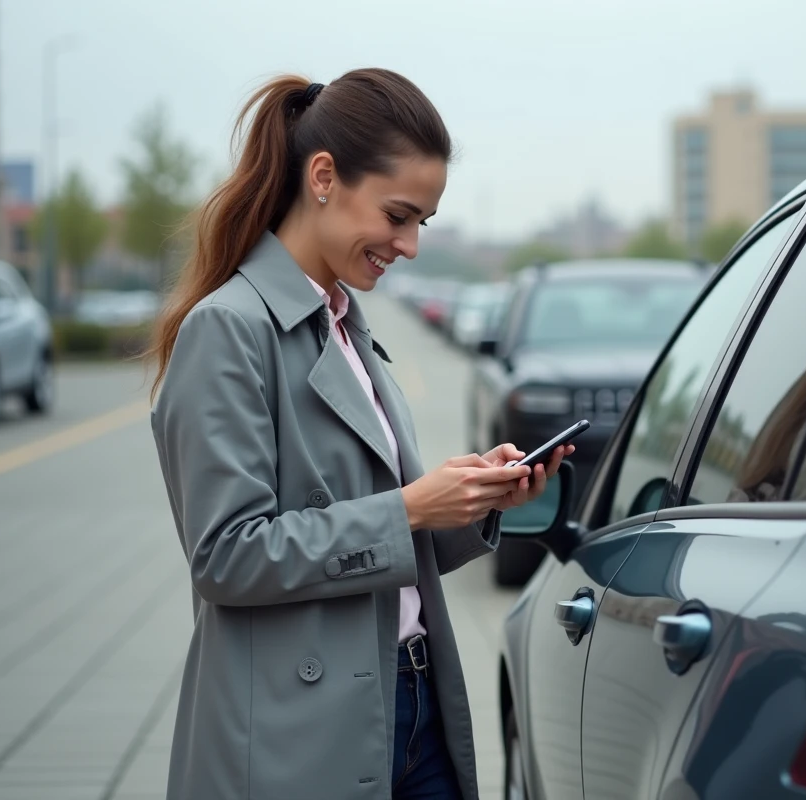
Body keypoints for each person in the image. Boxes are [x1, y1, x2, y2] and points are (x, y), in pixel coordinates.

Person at [147, 69, 572, 800]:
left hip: (413, 701)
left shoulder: (345, 324)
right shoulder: (229, 330)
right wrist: (409, 507)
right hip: (301, 732)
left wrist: (475, 498)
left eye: (422, 224)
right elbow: (225, 556)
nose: (408, 246)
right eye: (398, 216)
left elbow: (378, 540)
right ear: (323, 177)